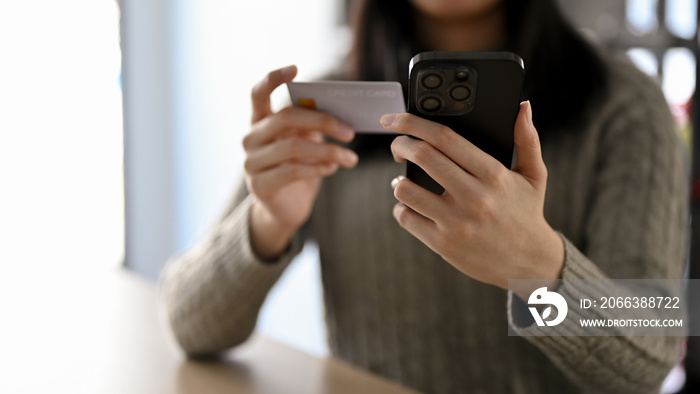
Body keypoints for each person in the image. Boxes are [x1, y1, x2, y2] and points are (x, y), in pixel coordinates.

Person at [159, 0, 689, 392]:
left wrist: (539, 270)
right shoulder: (325, 113)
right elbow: (189, 324)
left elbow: (650, 358)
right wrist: (268, 222)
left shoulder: (623, 107)